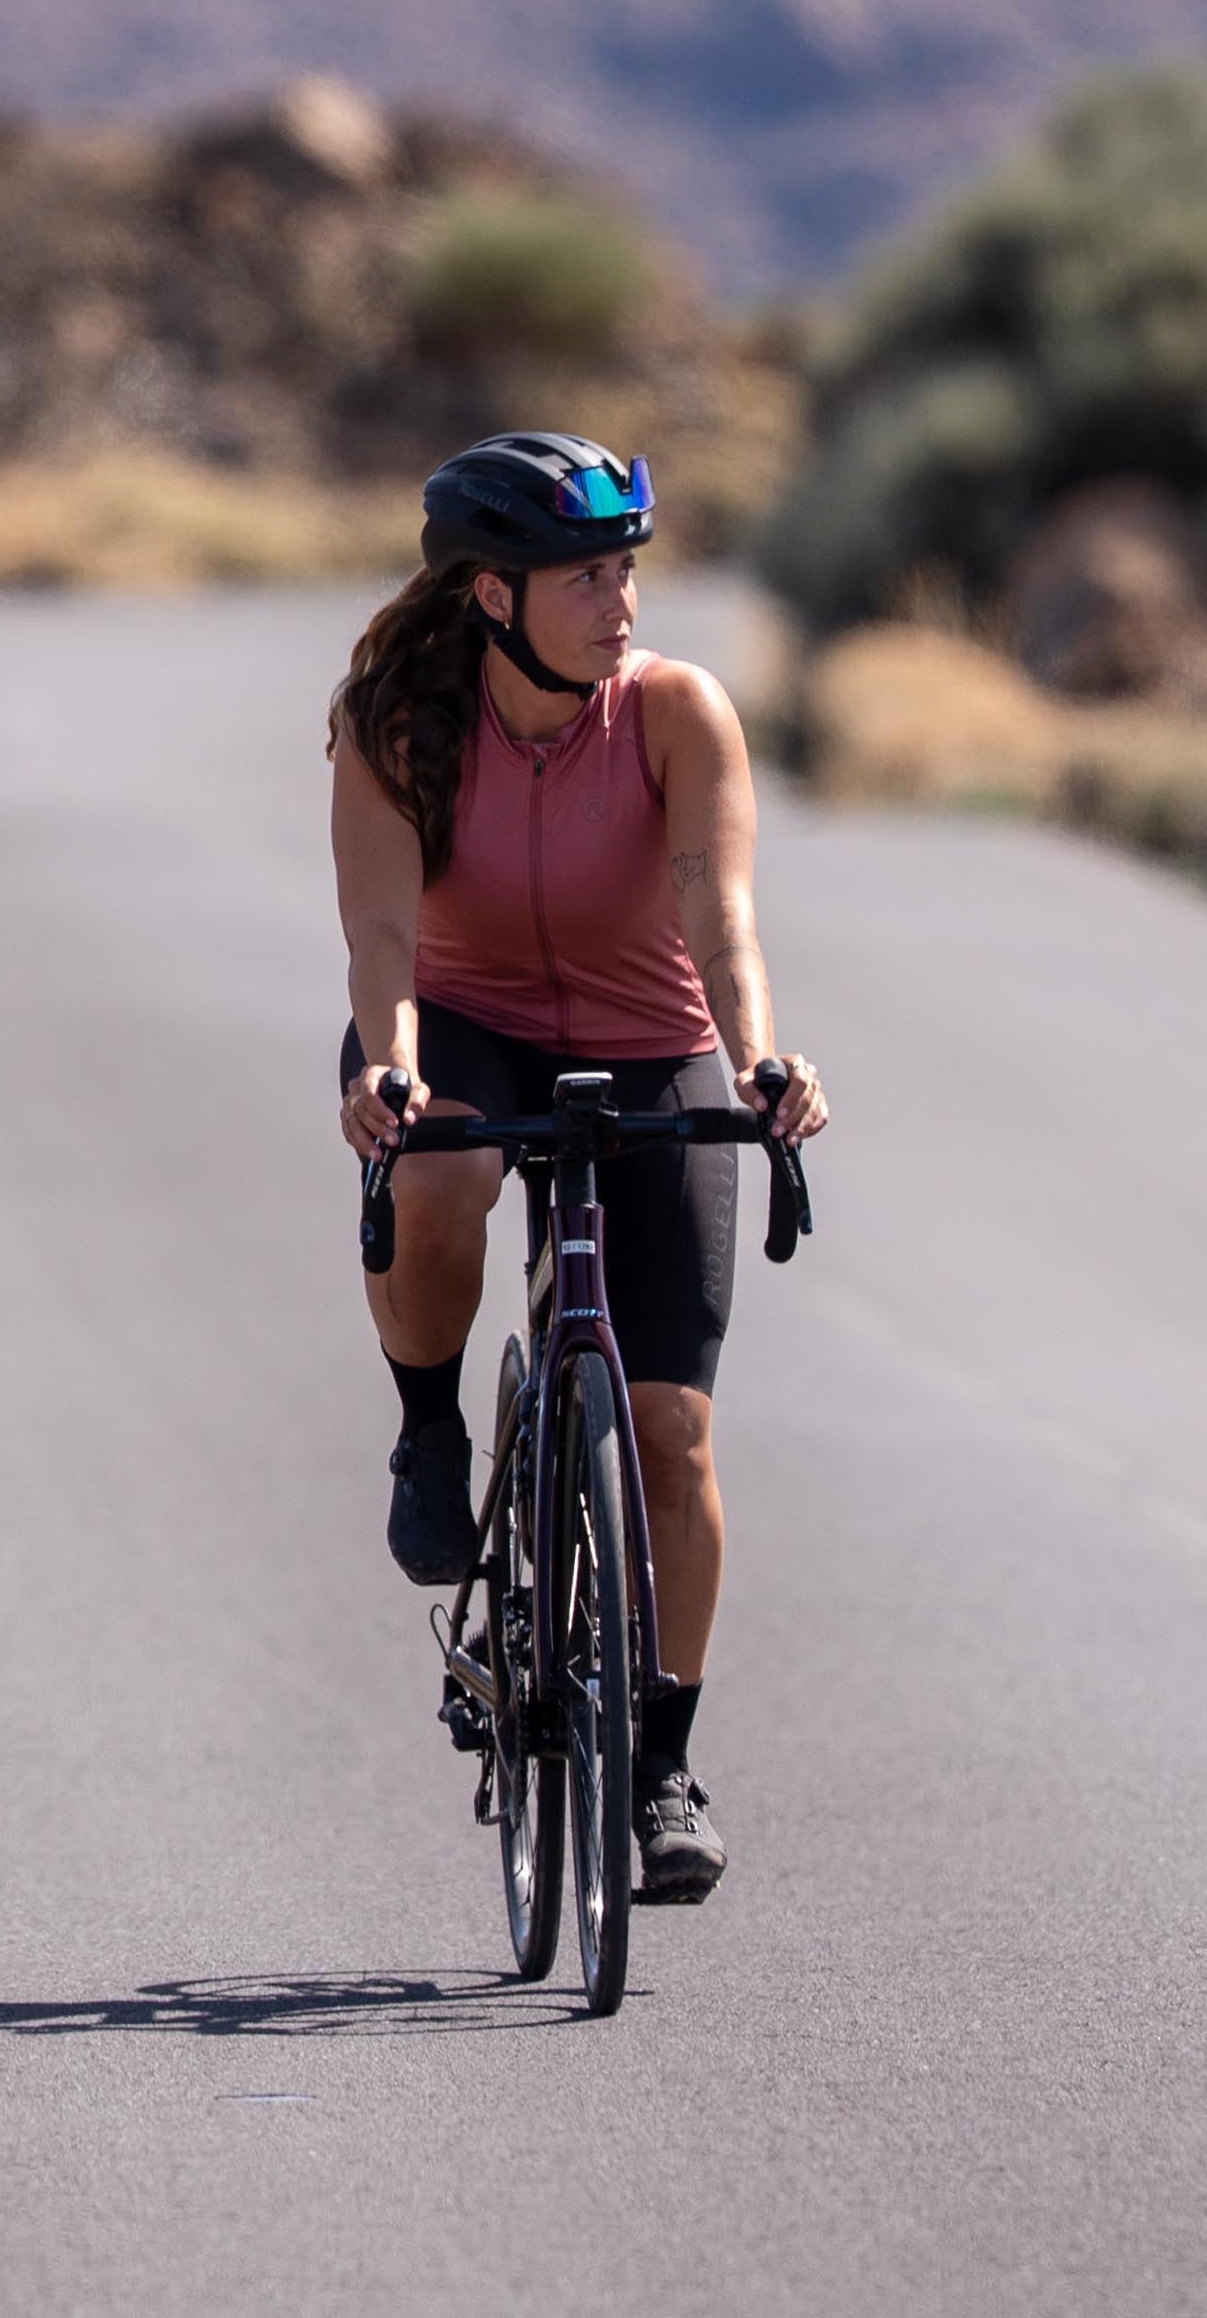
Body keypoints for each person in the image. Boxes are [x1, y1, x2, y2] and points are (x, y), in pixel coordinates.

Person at [327, 432, 828, 1901]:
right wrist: (392, 1068)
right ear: (493, 596)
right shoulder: (398, 719)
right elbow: (379, 939)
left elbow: (719, 912)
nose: (619, 603)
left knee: (671, 1429)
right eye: (581, 578)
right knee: (441, 1177)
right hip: (462, 1025)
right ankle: (432, 1426)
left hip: (651, 1036)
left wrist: (758, 1061)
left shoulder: (676, 711)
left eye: (625, 570)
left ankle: (662, 1766)